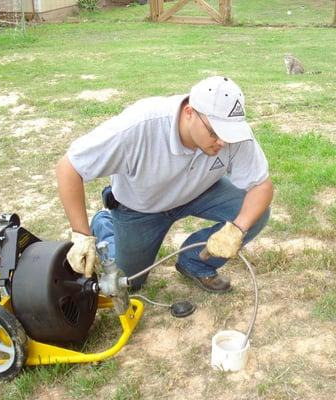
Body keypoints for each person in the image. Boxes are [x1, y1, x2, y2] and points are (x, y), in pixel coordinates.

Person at [56, 76, 273, 293]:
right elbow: (70, 167)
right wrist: (82, 235)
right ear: (189, 112)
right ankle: (105, 223)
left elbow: (261, 186)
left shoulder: (231, 135)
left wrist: (237, 228)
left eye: (229, 133)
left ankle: (195, 261)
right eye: (214, 132)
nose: (223, 142)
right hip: (141, 208)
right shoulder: (139, 126)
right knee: (129, 281)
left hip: (200, 191)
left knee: (255, 213)